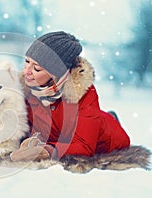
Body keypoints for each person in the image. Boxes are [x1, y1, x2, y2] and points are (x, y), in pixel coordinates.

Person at [10, 31, 130, 161]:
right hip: (62, 132)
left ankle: (111, 119)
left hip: (107, 138)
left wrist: (48, 151)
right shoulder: (25, 89)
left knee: (103, 127)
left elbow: (85, 146)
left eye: (37, 68)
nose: (27, 71)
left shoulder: (84, 93)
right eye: (27, 61)